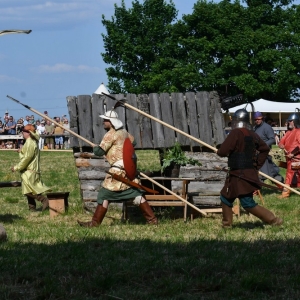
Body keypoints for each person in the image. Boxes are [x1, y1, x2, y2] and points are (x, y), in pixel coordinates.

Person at [77, 110, 158, 227]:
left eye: (106, 120)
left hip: (118, 170)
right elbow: (133, 142)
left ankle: (94, 223)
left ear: (111, 122)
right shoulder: (124, 132)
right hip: (128, 169)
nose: (103, 122)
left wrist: (95, 147)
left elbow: (99, 152)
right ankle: (153, 220)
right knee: (136, 193)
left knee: (103, 195)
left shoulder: (110, 134)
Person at [217, 108, 282, 227]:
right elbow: (265, 149)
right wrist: (256, 165)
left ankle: (273, 220)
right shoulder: (253, 134)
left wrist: (220, 149)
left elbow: (223, 151)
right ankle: (226, 225)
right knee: (226, 197)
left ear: (236, 120)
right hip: (242, 174)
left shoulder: (236, 133)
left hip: (239, 175)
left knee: (247, 202)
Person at [11, 124, 51, 211]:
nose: (22, 133)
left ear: (28, 133)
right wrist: (21, 151)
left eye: (24, 131)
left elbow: (27, 158)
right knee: (28, 188)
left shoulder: (29, 142)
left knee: (29, 191)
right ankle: (32, 208)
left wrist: (16, 167)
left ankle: (44, 200)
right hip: (30, 169)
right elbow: (28, 154)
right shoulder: (31, 141)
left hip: (30, 170)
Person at [253, 111, 284, 187]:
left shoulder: (267, 127)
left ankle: (282, 185)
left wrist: (262, 145)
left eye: (259, 119)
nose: (257, 120)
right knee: (257, 171)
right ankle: (256, 188)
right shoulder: (255, 128)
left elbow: (272, 139)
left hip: (264, 153)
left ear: (262, 119)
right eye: (255, 119)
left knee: (270, 172)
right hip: (256, 154)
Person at [278, 112, 300, 198]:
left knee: (289, 176)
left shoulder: (298, 132)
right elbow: (280, 142)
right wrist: (281, 145)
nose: (288, 123)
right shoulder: (288, 133)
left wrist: (293, 153)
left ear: (295, 121)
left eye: (290, 121)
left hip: (296, 158)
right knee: (290, 176)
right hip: (290, 159)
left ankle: (285, 194)